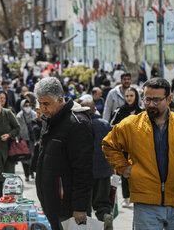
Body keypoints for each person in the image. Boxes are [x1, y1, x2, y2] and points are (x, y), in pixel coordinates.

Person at [102, 78, 174, 229]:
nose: (151, 104)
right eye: (147, 99)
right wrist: (124, 168)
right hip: (145, 203)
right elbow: (108, 143)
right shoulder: (131, 125)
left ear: (169, 99)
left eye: (157, 100)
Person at [34, 77, 94, 229]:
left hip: (69, 209)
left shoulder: (77, 124)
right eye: (39, 104)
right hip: (52, 204)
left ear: (60, 99)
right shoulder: (49, 119)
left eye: (46, 104)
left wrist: (80, 207)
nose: (42, 108)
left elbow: (83, 170)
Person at [80, 100, 113, 229]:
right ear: (95, 110)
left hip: (85, 172)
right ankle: (105, 216)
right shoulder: (105, 124)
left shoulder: (79, 125)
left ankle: (88, 226)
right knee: (103, 202)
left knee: (84, 205)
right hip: (104, 170)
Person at [109, 87, 142, 208]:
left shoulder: (142, 112)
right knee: (125, 173)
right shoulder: (119, 111)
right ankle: (127, 197)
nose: (129, 98)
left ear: (136, 97)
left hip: (139, 149)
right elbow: (112, 126)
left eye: (131, 96)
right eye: (127, 96)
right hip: (123, 149)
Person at [16, 99, 37, 182]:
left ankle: (31, 172)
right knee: (24, 157)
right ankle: (26, 174)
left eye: (28, 106)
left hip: (32, 139)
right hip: (23, 139)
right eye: (25, 106)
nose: (27, 107)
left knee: (32, 156)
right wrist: (18, 139)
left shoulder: (34, 114)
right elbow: (18, 129)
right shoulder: (19, 116)